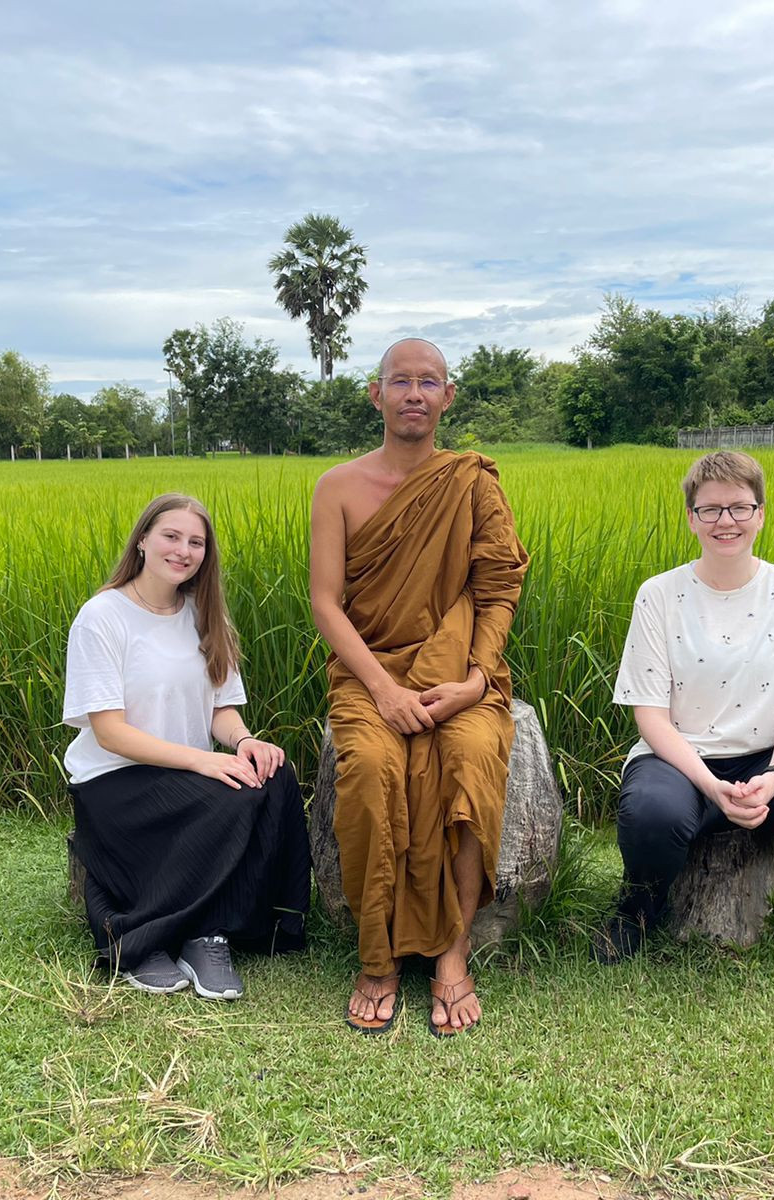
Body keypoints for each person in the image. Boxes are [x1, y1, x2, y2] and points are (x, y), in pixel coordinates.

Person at [309, 338, 529, 1036]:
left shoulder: (472, 482)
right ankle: (377, 959)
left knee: (469, 759)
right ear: (375, 395)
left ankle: (452, 953)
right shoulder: (337, 486)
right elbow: (325, 603)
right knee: (372, 767)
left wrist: (475, 682)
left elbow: (497, 590)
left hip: (459, 674)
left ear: (447, 397)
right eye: (399, 381)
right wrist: (382, 690)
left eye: (427, 382)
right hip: (368, 673)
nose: (413, 393)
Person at [598, 450, 774, 977]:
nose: (725, 521)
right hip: (680, 760)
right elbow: (651, 716)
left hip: (770, 760)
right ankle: (640, 909)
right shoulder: (658, 595)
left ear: (760, 514)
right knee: (650, 815)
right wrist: (710, 785)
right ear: (691, 519)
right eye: (709, 510)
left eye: (739, 507)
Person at [62, 493, 310, 999]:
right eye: (171, 536)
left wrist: (244, 742)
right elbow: (109, 731)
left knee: (273, 777)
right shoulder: (102, 616)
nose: (184, 550)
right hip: (115, 779)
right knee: (224, 796)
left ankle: (210, 934)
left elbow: (221, 709)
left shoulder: (203, 614)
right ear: (144, 541)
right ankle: (139, 936)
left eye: (196, 542)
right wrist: (205, 761)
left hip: (187, 774)